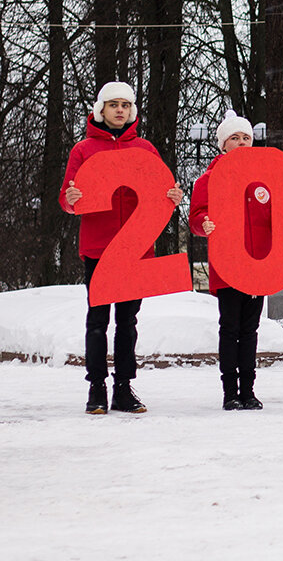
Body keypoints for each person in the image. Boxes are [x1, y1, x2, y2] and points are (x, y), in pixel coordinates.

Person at [59, 81, 184, 414]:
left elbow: (163, 193)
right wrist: (71, 201)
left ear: (132, 111)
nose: (119, 110)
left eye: (125, 105)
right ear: (101, 109)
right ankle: (96, 389)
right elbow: (66, 199)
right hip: (99, 249)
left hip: (137, 252)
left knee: (128, 323)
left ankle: (124, 389)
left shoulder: (145, 149)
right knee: (98, 321)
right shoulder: (83, 150)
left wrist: (173, 198)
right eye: (113, 104)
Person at [189, 110, 283, 410]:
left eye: (246, 137)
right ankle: (230, 391)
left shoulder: (264, 182)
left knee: (250, 330)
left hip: (259, 265)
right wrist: (203, 223)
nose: (242, 142)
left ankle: (249, 390)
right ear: (223, 145)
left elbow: (280, 215)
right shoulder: (209, 180)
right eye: (235, 138)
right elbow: (195, 217)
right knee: (229, 328)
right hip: (229, 266)